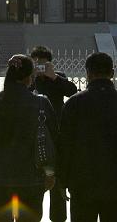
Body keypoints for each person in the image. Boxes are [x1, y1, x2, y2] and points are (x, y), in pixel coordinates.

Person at [57, 52, 117, 222]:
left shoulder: (74, 103)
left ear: (88, 73)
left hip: (82, 183)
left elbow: (64, 145)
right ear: (112, 73)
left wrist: (62, 180)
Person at [0, 54, 57, 222]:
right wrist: (51, 173)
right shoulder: (41, 103)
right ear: (29, 78)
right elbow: (52, 143)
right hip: (31, 178)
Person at [30, 46, 79, 222]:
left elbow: (72, 91)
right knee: (35, 184)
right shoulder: (29, 79)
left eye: (43, 64)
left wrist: (54, 77)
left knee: (57, 184)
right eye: (36, 63)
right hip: (34, 136)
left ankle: (58, 218)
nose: (40, 67)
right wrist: (32, 78)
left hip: (55, 135)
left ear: (49, 63)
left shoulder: (58, 77)